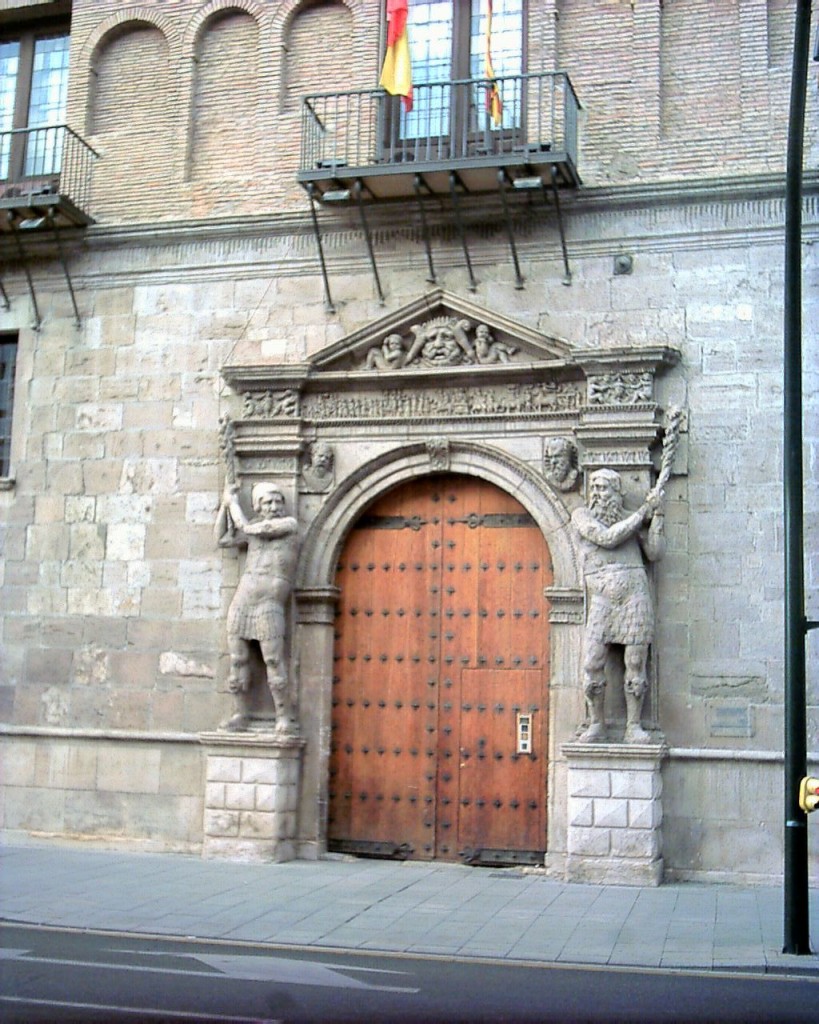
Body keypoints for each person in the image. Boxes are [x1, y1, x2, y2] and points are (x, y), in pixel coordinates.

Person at [571, 468, 665, 743]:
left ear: (618, 492)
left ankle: (633, 726)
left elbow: (655, 553)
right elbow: (607, 538)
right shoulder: (582, 517)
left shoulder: (631, 520)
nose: (598, 494)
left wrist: (657, 516)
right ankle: (596, 724)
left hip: (634, 595)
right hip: (601, 599)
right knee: (592, 663)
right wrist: (642, 513)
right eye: (595, 488)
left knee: (635, 662)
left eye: (605, 488)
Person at [216, 482, 300, 734]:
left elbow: (251, 528)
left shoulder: (287, 526)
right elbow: (222, 538)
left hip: (269, 604)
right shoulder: (253, 530)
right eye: (267, 502)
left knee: (273, 660)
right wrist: (224, 505)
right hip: (243, 602)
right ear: (257, 506)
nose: (274, 507)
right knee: (238, 661)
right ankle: (240, 713)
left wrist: (233, 506)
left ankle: (283, 717)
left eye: (278, 502)